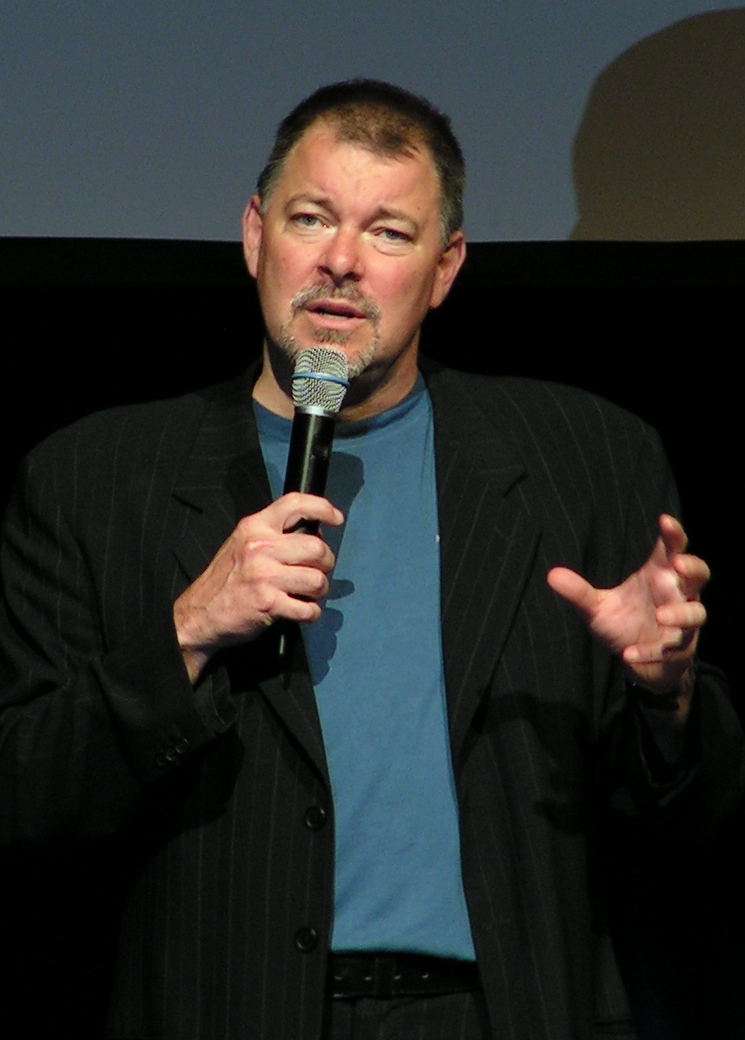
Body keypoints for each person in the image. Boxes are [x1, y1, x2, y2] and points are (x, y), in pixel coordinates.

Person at [0, 80, 742, 1040]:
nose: (341, 261)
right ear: (255, 235)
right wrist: (185, 634)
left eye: (389, 233)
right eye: (311, 218)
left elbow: (692, 823)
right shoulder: (94, 478)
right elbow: (23, 793)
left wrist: (662, 696)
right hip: (224, 1007)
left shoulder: (588, 459)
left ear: (444, 268)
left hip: (502, 1013)